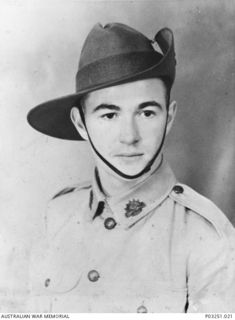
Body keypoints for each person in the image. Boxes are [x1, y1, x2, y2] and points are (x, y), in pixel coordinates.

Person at [26, 22, 235, 313]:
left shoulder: (205, 235)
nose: (130, 135)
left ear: (169, 118)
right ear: (79, 123)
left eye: (147, 112)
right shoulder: (57, 214)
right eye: (109, 115)